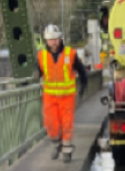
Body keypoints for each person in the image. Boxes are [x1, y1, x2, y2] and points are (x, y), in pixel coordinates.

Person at [36, 25, 88, 163]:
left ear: (60, 38)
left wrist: (83, 86)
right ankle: (56, 143)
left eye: (56, 39)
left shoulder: (70, 53)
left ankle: (67, 150)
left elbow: (82, 71)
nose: (54, 42)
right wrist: (34, 76)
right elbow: (38, 72)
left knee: (66, 123)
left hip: (67, 96)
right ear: (46, 41)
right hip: (50, 97)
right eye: (51, 39)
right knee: (50, 123)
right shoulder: (41, 55)